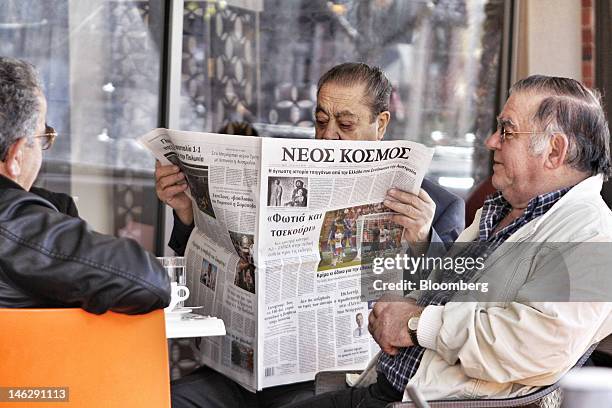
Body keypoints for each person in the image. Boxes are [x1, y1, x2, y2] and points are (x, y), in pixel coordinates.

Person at [286, 75, 612, 407]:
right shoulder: (501, 210)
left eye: (508, 131)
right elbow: (442, 296)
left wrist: (415, 324)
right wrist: (395, 303)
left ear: (554, 150)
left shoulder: (594, 236)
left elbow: (536, 346)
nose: (491, 141)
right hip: (383, 385)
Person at [167, 62, 465, 407]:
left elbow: (449, 310)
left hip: (331, 383)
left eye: (346, 124)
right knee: (162, 400)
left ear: (380, 124)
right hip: (239, 373)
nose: (329, 135)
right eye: (321, 121)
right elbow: (202, 277)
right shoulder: (279, 179)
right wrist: (187, 215)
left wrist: (423, 240)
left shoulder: (435, 206)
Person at [0, 57, 170, 313]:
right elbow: (149, 281)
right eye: (43, 137)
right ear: (16, 155)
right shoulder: (14, 223)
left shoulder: (45, 209)